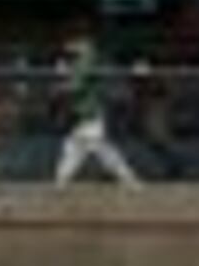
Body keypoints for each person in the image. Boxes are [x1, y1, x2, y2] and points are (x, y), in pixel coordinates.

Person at [51, 35, 143, 188]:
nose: (71, 46)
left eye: (77, 43)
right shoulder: (79, 61)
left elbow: (76, 86)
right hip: (81, 113)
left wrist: (60, 86)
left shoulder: (86, 59)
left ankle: (129, 180)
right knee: (74, 148)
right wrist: (63, 76)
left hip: (89, 112)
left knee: (98, 148)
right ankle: (60, 181)